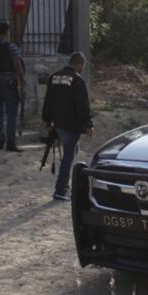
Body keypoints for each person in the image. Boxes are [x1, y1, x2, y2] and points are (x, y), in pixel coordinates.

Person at [42, 52, 93, 201]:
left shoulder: (54, 77)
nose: (83, 68)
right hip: (72, 125)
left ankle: (65, 187)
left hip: (59, 124)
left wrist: (47, 120)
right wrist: (88, 124)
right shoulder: (77, 80)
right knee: (69, 157)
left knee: (71, 151)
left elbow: (48, 101)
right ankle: (60, 190)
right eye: (83, 65)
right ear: (79, 64)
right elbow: (82, 105)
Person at [0, 22, 25, 151]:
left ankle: (0, 141)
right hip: (9, 83)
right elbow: (17, 64)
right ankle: (11, 143)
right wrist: (22, 82)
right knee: (11, 114)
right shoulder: (11, 47)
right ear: (7, 32)